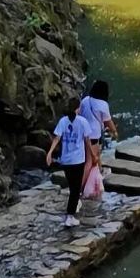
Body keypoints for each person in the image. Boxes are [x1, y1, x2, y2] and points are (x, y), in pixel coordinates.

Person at [46, 94, 96, 228]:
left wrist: (50, 153)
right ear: (78, 108)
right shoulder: (82, 122)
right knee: (75, 189)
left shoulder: (63, 121)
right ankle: (70, 216)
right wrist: (93, 155)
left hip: (66, 160)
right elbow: (87, 141)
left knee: (72, 187)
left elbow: (57, 138)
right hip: (78, 160)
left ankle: (72, 209)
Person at [80, 78, 117, 157]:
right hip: (94, 134)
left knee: (85, 155)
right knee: (92, 158)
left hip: (82, 132)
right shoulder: (103, 104)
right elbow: (108, 121)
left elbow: (80, 114)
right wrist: (114, 131)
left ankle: (98, 168)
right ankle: (92, 169)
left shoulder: (85, 100)